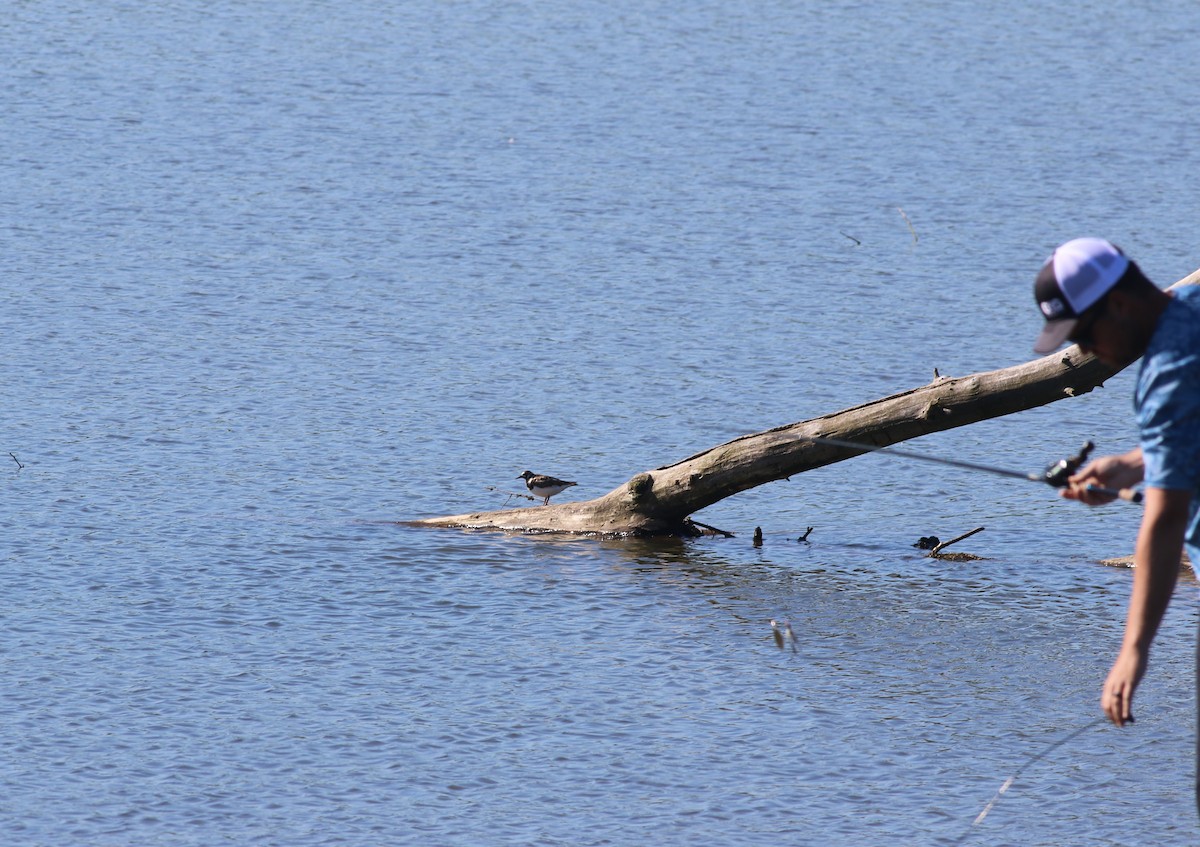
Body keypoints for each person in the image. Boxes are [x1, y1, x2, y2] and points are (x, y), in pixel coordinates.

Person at [1032, 236, 1200, 810]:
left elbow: (1164, 518)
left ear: (1121, 304)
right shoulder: (1195, 304)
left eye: (1082, 334)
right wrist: (1130, 465)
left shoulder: (1167, 373)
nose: (1086, 351)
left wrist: (1133, 650)